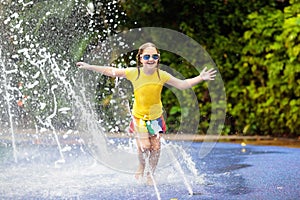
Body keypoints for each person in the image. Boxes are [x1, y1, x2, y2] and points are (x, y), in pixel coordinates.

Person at [76, 42, 216, 185]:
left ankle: (150, 174)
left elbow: (182, 84)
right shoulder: (134, 73)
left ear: (158, 58)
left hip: (156, 118)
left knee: (155, 147)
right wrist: (90, 66)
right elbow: (111, 71)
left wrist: (200, 77)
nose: (151, 59)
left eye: (154, 56)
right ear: (141, 58)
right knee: (144, 146)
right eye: (147, 56)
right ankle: (142, 166)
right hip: (139, 118)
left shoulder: (161, 75)